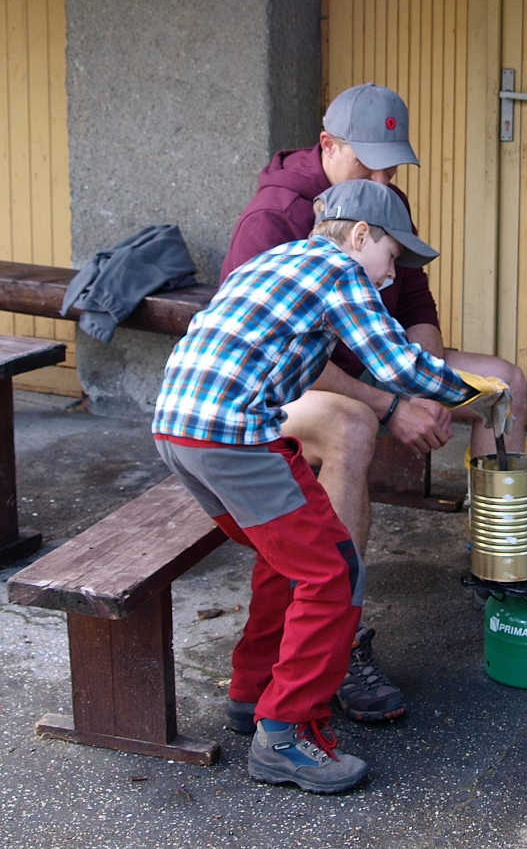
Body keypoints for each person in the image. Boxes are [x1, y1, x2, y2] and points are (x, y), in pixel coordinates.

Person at [154, 179, 506, 793]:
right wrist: (478, 395)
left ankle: (252, 690)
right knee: (335, 573)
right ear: (361, 235)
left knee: (286, 557)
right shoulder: (339, 270)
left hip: (179, 429)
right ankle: (287, 733)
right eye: (392, 257)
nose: (392, 276)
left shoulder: (279, 259)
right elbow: (395, 362)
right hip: (236, 436)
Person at [220, 83, 527, 728]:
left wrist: (424, 382)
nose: (385, 177)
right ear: (328, 146)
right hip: (293, 384)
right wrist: (390, 402)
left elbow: (415, 304)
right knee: (351, 426)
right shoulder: (274, 215)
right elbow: (260, 344)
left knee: (503, 382)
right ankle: (345, 636)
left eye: (393, 164)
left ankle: (504, 578)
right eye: (370, 163)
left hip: (379, 363)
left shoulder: (382, 200)